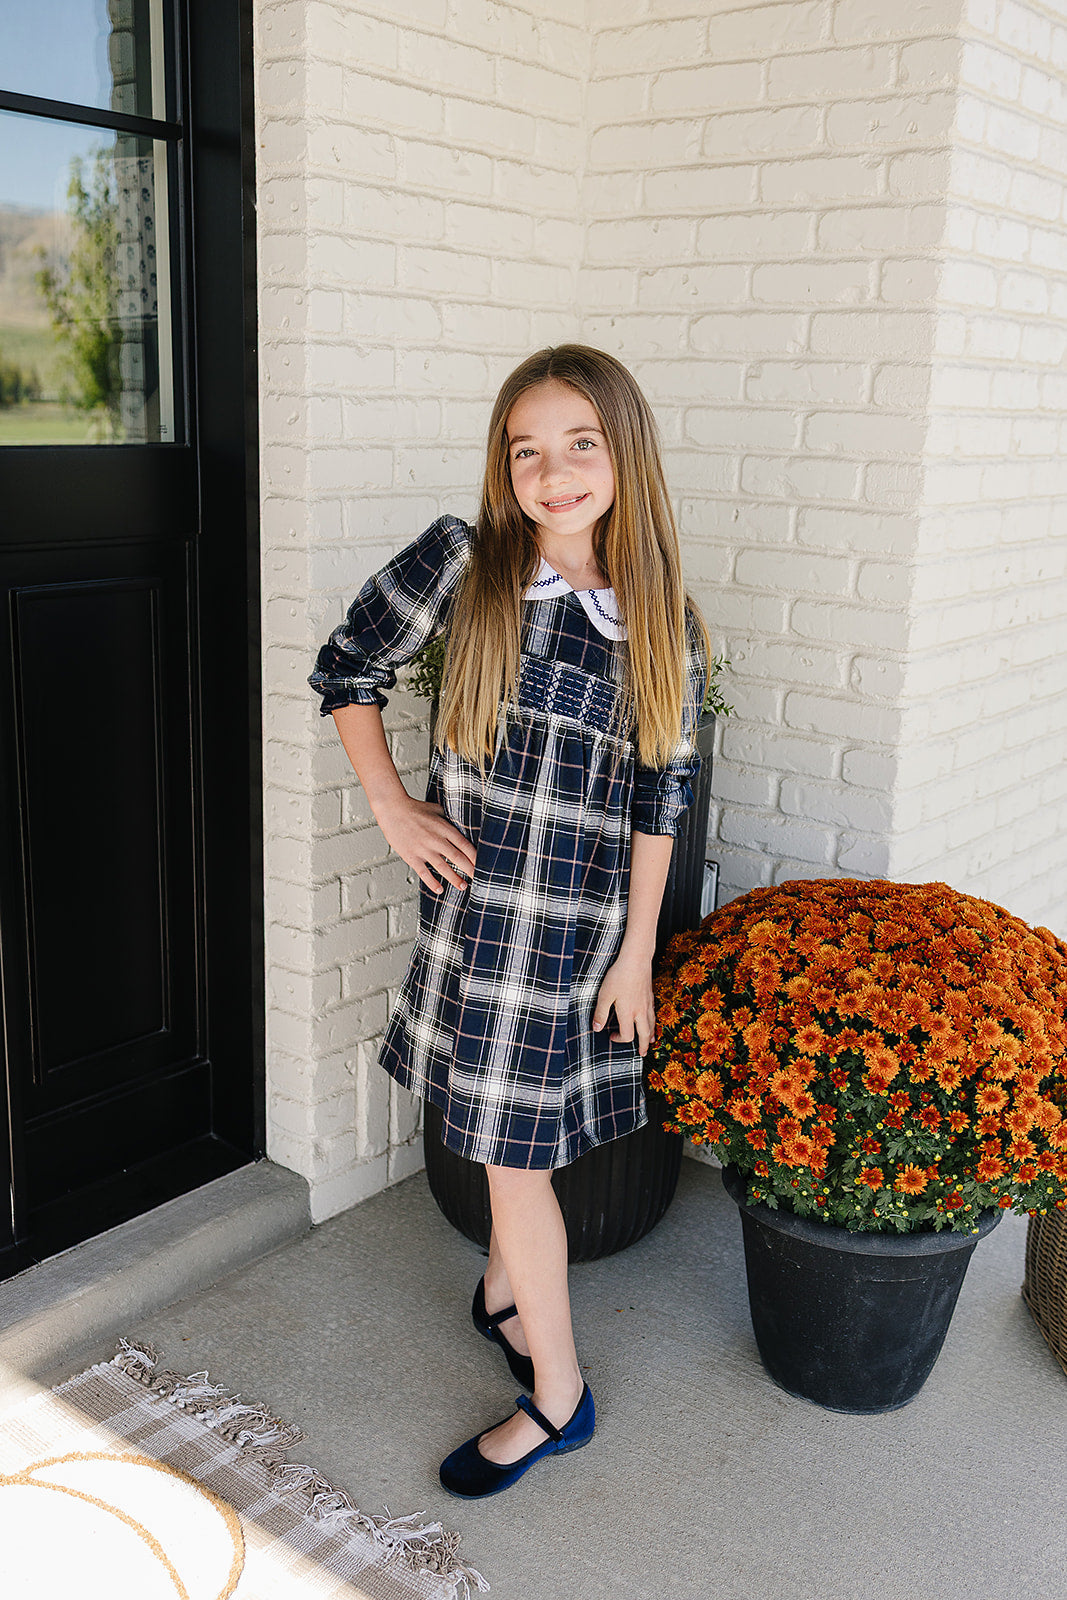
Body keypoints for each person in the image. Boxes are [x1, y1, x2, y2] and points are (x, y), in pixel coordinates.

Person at [309, 344, 709, 1498]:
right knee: (502, 1145)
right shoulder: (465, 563)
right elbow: (346, 665)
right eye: (525, 450)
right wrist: (394, 807)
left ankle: (552, 1390)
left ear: (624, 455)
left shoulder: (661, 623)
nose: (553, 472)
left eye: (579, 443)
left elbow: (660, 799)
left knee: (510, 1153)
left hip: (575, 940)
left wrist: (636, 953)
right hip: (479, 925)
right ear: (502, 465)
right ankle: (519, 1325)